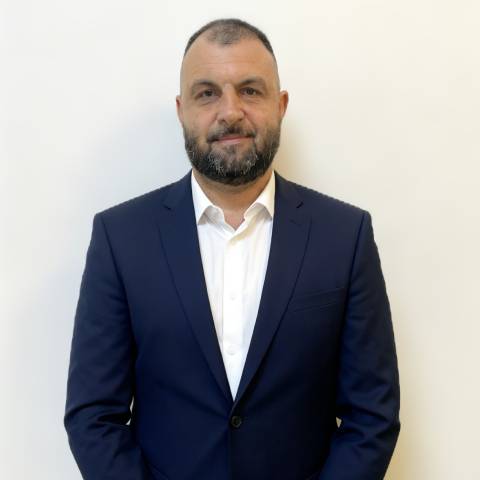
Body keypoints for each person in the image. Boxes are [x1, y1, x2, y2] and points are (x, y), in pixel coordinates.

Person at [64, 18, 400, 480]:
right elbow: (93, 417)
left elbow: (372, 417)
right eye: (207, 93)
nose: (230, 112)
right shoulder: (120, 238)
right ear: (182, 110)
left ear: (280, 105)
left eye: (250, 90)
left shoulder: (346, 236)